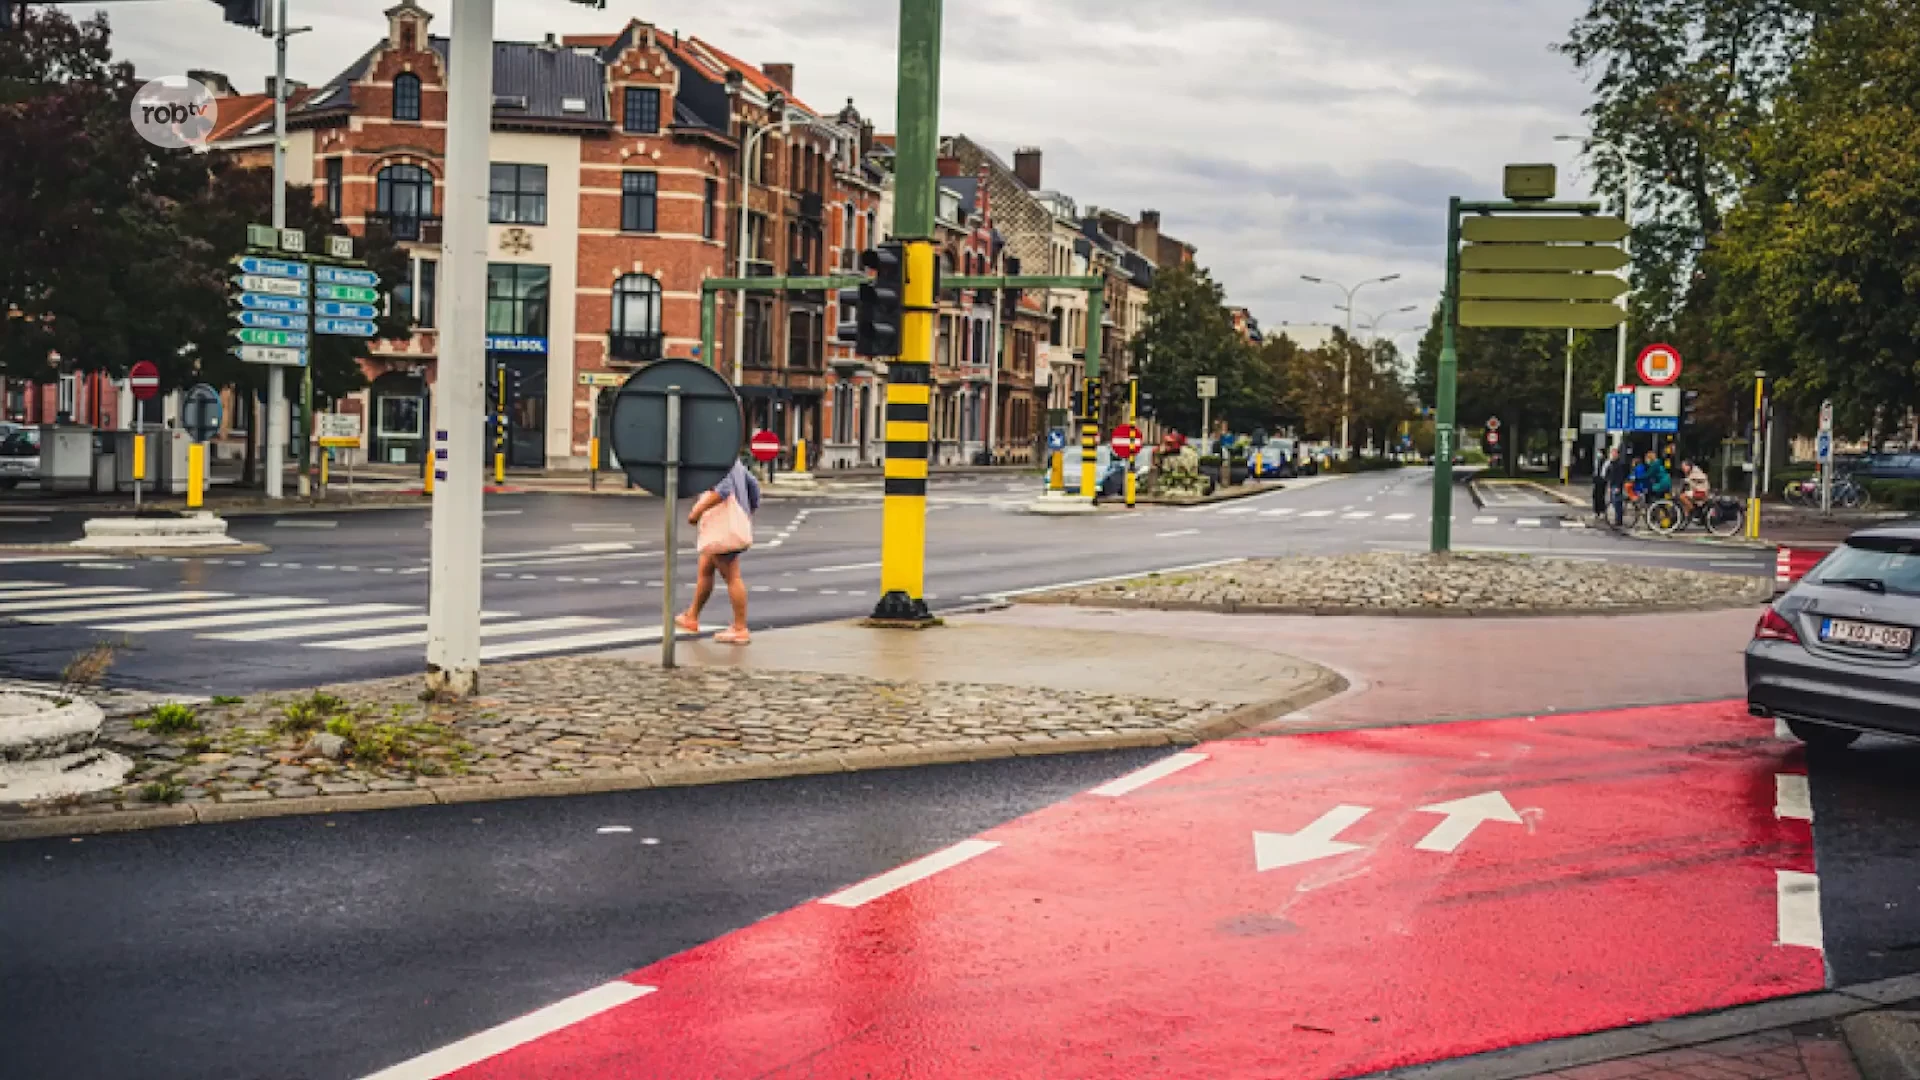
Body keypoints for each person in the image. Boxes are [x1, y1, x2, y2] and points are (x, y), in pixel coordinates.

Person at [676, 459, 761, 645]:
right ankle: (692, 616)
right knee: (705, 569)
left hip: (722, 527)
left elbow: (722, 490)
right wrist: (748, 510)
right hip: (726, 524)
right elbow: (753, 486)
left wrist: (697, 511)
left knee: (732, 576)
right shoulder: (733, 459)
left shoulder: (716, 460)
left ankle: (740, 628)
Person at [1603, 446, 1632, 528]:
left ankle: (1619, 520)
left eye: (1614, 453)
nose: (1613, 455)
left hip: (1616, 485)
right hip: (1612, 484)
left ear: (1617, 454)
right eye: (1612, 453)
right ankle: (1617, 518)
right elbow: (1609, 473)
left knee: (1617, 503)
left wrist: (1618, 487)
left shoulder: (1619, 464)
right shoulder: (1612, 463)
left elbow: (1620, 476)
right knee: (1614, 502)